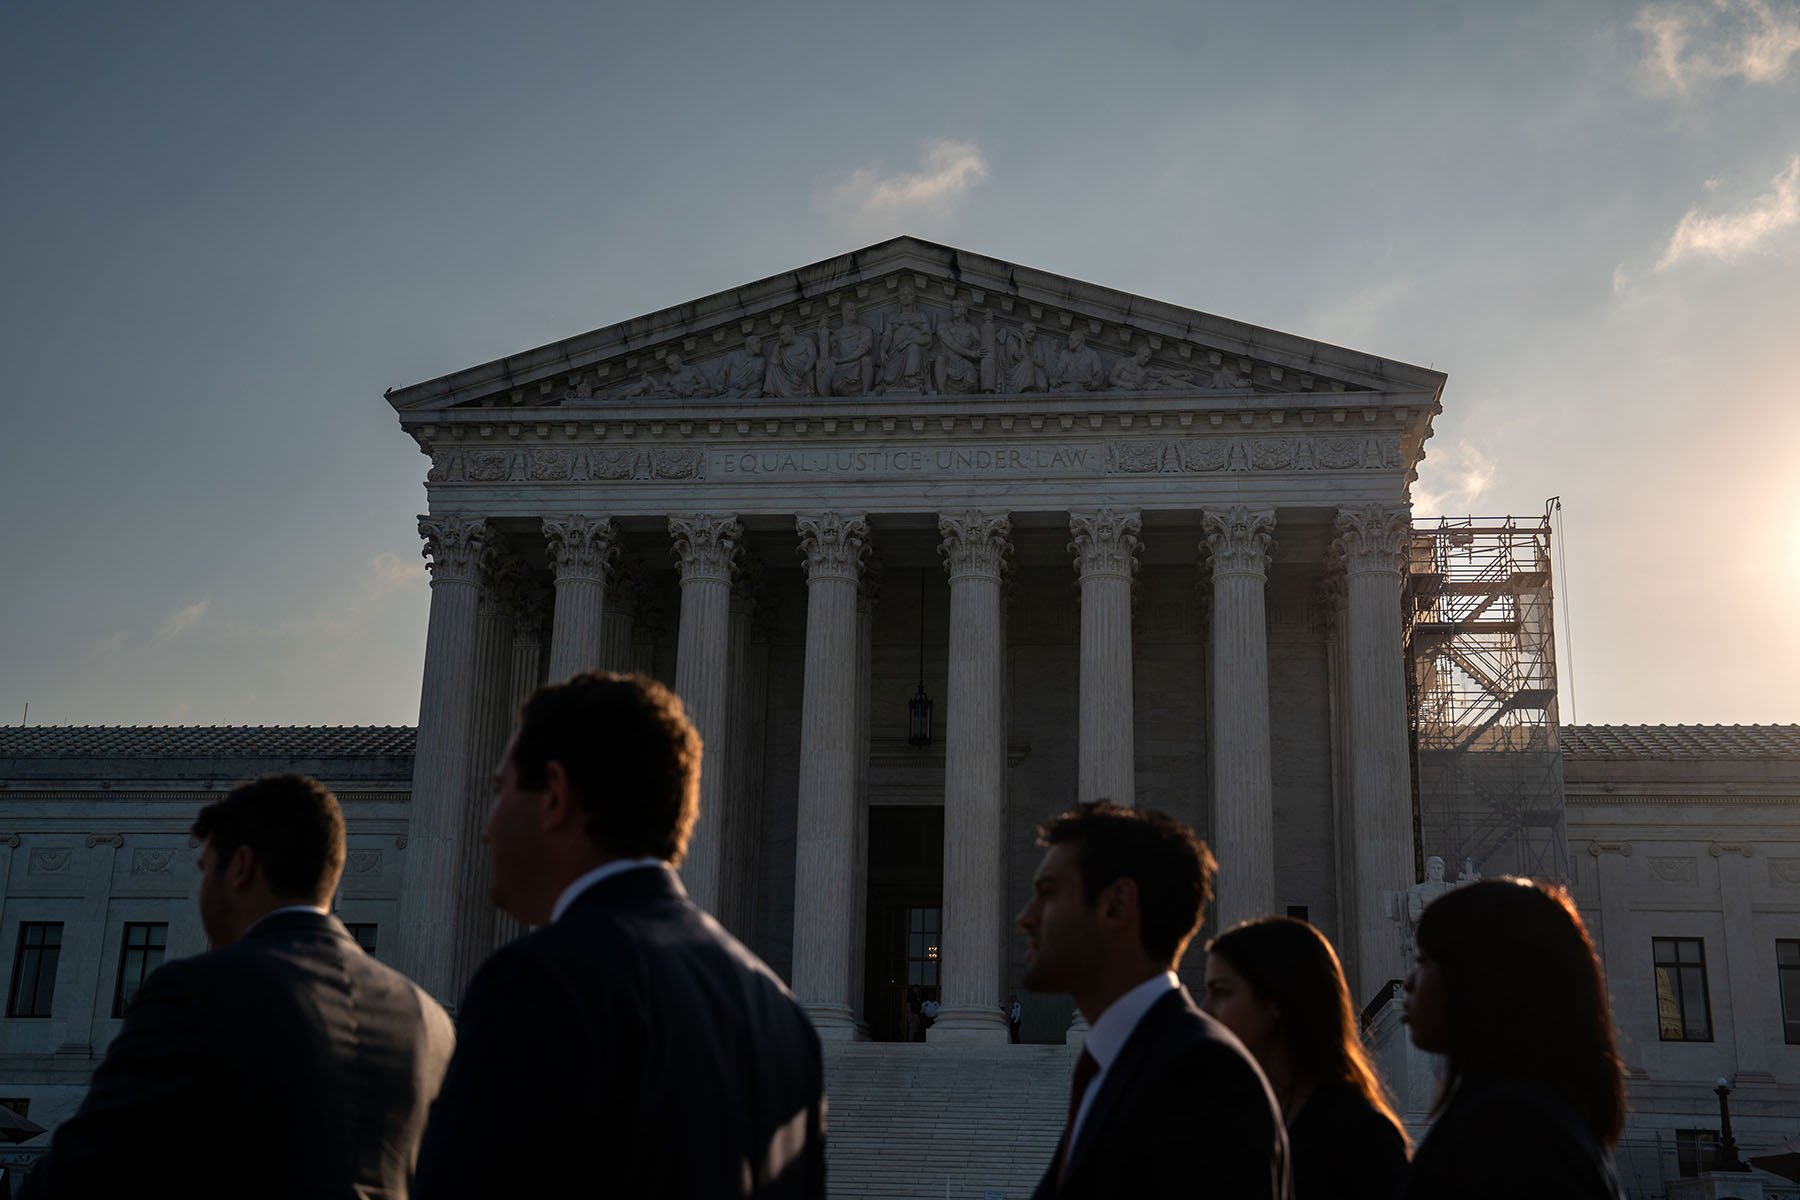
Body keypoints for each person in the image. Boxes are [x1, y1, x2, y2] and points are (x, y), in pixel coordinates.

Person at [413, 672, 825, 1199]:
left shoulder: (542, 982)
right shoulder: (781, 1015)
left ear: (555, 796)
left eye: (500, 791)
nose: (486, 825)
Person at [22, 774, 455, 1200]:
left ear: (241, 868)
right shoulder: (429, 1022)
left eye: (206, 868)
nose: (201, 891)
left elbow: (80, 1174)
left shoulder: (195, 993)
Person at [1016, 802, 1288, 1200]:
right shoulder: (1127, 1062)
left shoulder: (1202, 1075)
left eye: (1047, 893)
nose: (1026, 916)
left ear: (1116, 905)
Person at [1399, 878, 1625, 1199]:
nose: (1407, 982)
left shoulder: (1507, 1133)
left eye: (1422, 961)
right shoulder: (1536, 1119)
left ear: (1477, 977)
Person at [1203, 917, 1409, 1199]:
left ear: (1274, 1000)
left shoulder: (1361, 1138)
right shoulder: (1229, 1122)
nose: (1206, 1010)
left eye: (1222, 992)